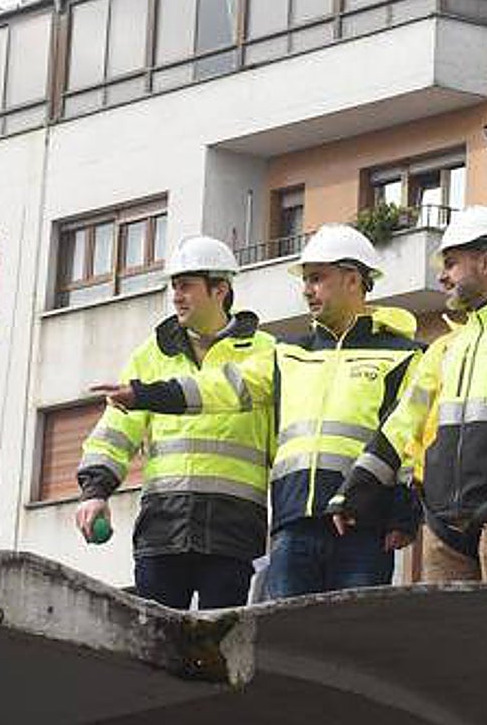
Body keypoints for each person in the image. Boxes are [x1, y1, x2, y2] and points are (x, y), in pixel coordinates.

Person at [95, 225, 421, 599]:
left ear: (352, 280)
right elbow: (222, 386)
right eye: (306, 280)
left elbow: (407, 442)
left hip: (363, 526)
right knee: (282, 646)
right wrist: (142, 394)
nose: (306, 290)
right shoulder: (289, 353)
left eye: (317, 279)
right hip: (292, 524)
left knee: (350, 642)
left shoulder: (404, 354)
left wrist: (404, 515)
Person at [329, 206, 487, 583]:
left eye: (451, 263)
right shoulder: (443, 349)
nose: (442, 276)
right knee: (446, 638)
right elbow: (401, 424)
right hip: (441, 525)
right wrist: (356, 489)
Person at [74, 236, 274, 610]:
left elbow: (283, 440)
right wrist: (95, 491)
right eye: (174, 287)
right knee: (156, 646)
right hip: (162, 527)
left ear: (220, 289)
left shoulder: (266, 352)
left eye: (186, 286)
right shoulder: (151, 354)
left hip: (232, 530)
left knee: (217, 648)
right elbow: (116, 430)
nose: (176, 296)